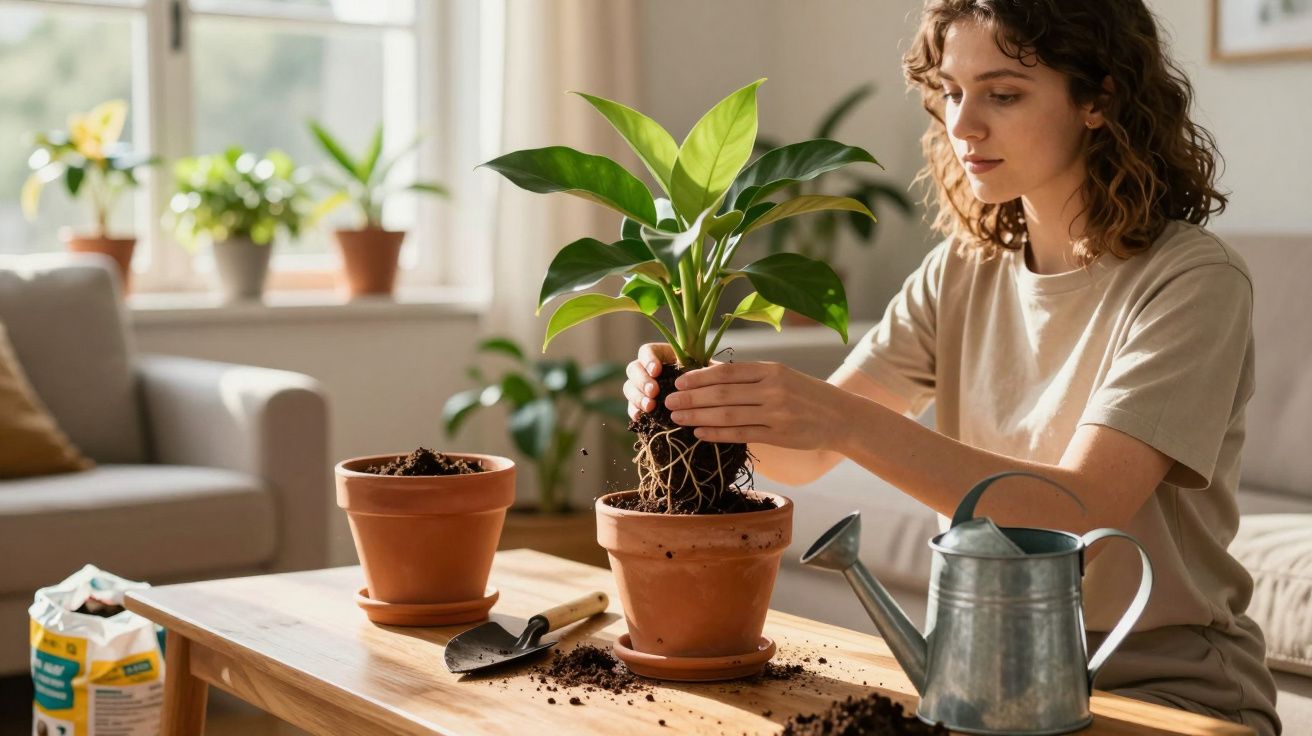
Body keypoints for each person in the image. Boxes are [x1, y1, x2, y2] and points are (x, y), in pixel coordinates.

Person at [622, 1, 1281, 733]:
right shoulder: (960, 272)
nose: (963, 125)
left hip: (1162, 689)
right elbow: (804, 454)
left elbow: (1081, 512)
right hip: (984, 683)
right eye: (952, 91)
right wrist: (692, 396)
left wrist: (842, 416)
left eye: (1003, 94)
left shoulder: (1193, 281)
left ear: (1100, 99)